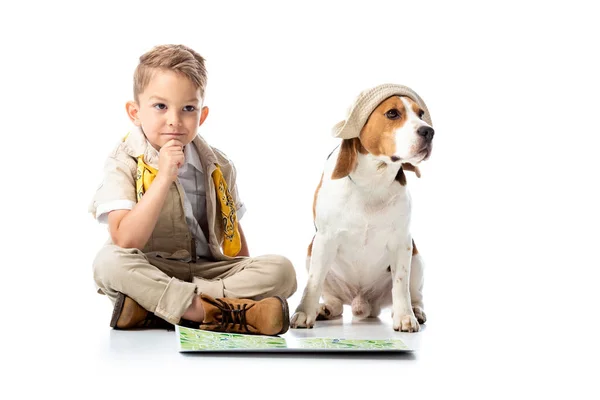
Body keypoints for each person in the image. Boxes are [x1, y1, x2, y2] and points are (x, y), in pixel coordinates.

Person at [89, 44, 297, 335]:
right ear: (135, 112)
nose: (174, 120)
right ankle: (211, 311)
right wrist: (163, 178)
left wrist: (247, 273)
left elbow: (233, 234)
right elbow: (125, 240)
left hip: (205, 269)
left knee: (282, 271)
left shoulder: (218, 164)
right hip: (151, 268)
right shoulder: (123, 161)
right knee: (108, 263)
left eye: (188, 108)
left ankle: (153, 310)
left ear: (202, 115)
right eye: (160, 106)